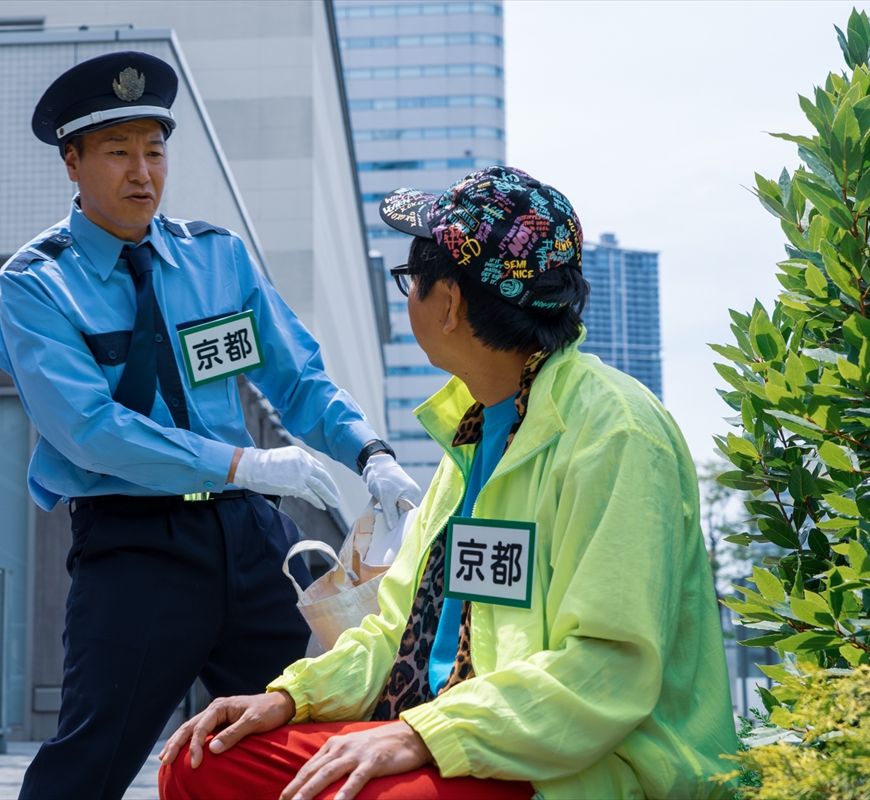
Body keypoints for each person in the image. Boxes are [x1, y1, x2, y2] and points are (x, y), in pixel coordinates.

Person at [159, 167, 737, 800]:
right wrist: (291, 697)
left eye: (411, 281)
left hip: (564, 768)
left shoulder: (615, 432)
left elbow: (607, 669)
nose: (407, 298)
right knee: (199, 761)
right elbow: (394, 630)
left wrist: (424, 735)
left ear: (451, 303)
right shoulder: (473, 428)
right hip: (443, 733)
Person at [0, 51, 421, 800]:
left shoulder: (215, 260)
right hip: (134, 546)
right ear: (73, 161)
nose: (142, 173)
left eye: (155, 151)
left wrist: (372, 453)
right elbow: (89, 429)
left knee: (333, 723)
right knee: (86, 765)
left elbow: (297, 379)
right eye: (118, 153)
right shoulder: (37, 285)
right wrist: (243, 463)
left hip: (251, 540)